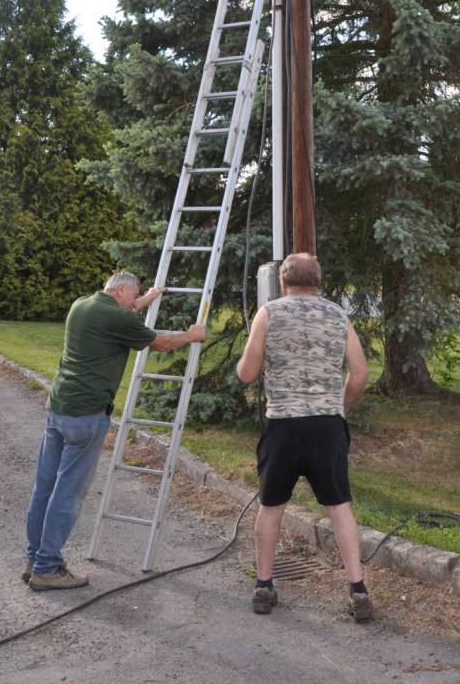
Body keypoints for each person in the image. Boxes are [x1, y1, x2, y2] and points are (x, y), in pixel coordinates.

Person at [24, 270, 206, 591]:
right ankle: (48, 567)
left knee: (45, 487)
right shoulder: (118, 319)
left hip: (59, 409)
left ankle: (34, 559)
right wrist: (191, 335)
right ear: (121, 291)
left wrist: (147, 299)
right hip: (87, 415)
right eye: (133, 297)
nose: (134, 303)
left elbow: (123, 312)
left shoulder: (82, 305)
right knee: (68, 492)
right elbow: (160, 343)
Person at [236, 252, 373, 622]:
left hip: (283, 426)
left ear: (283, 282)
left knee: (271, 506)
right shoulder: (338, 315)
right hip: (327, 427)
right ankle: (358, 589)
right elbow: (360, 374)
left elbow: (247, 374)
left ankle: (264, 585)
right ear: (318, 282)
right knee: (339, 507)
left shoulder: (269, 313)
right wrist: (339, 407)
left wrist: (248, 361)